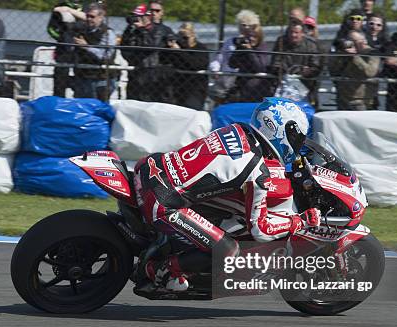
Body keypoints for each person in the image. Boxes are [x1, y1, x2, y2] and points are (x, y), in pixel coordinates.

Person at [133, 97, 321, 291]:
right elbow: (261, 230)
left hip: (150, 167)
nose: (297, 143)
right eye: (296, 136)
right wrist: (299, 221)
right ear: (280, 131)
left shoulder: (235, 130)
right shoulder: (257, 170)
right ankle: (158, 271)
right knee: (228, 249)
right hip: (162, 202)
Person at [209, 10, 261, 105]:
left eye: (248, 25)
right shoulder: (230, 42)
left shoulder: (256, 44)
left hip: (243, 85)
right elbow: (219, 58)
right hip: (225, 83)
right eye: (243, 25)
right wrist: (215, 69)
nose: (245, 28)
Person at [270, 18, 321, 106]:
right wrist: (283, 70)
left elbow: (316, 66)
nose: (293, 35)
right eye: (291, 32)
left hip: (305, 86)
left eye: (296, 33)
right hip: (285, 85)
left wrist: (308, 71)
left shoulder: (311, 44)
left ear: (302, 33)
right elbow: (275, 63)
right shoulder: (281, 42)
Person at [71, 3, 116, 101]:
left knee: (98, 109)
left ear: (101, 17)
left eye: (92, 17)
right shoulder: (82, 31)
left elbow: (106, 56)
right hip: (82, 77)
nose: (88, 19)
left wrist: (87, 47)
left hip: (101, 79)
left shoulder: (107, 33)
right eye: (87, 16)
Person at [227, 10, 272, 102]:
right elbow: (232, 64)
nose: (251, 39)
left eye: (254, 36)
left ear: (259, 36)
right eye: (249, 36)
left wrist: (249, 51)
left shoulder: (263, 47)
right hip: (242, 88)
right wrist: (239, 48)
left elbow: (260, 67)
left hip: (259, 90)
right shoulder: (243, 46)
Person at [329, 30, 380, 110]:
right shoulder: (345, 53)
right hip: (343, 99)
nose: (350, 44)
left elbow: (370, 72)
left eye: (353, 41)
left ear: (363, 41)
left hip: (361, 101)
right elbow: (334, 71)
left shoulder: (372, 53)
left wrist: (355, 56)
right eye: (348, 41)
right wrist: (340, 55)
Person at [164, 22, 209, 110]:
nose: (183, 40)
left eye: (186, 37)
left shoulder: (200, 48)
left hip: (195, 87)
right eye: (181, 37)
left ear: (193, 35)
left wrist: (180, 51)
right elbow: (165, 60)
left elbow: (196, 65)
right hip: (178, 86)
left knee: (191, 111)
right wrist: (169, 47)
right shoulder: (178, 46)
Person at [47, 1, 85, 97]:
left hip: (82, 50)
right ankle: (59, 101)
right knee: (60, 77)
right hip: (64, 49)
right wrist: (62, 38)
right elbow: (51, 28)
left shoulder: (88, 7)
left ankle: (79, 99)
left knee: (82, 77)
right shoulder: (60, 7)